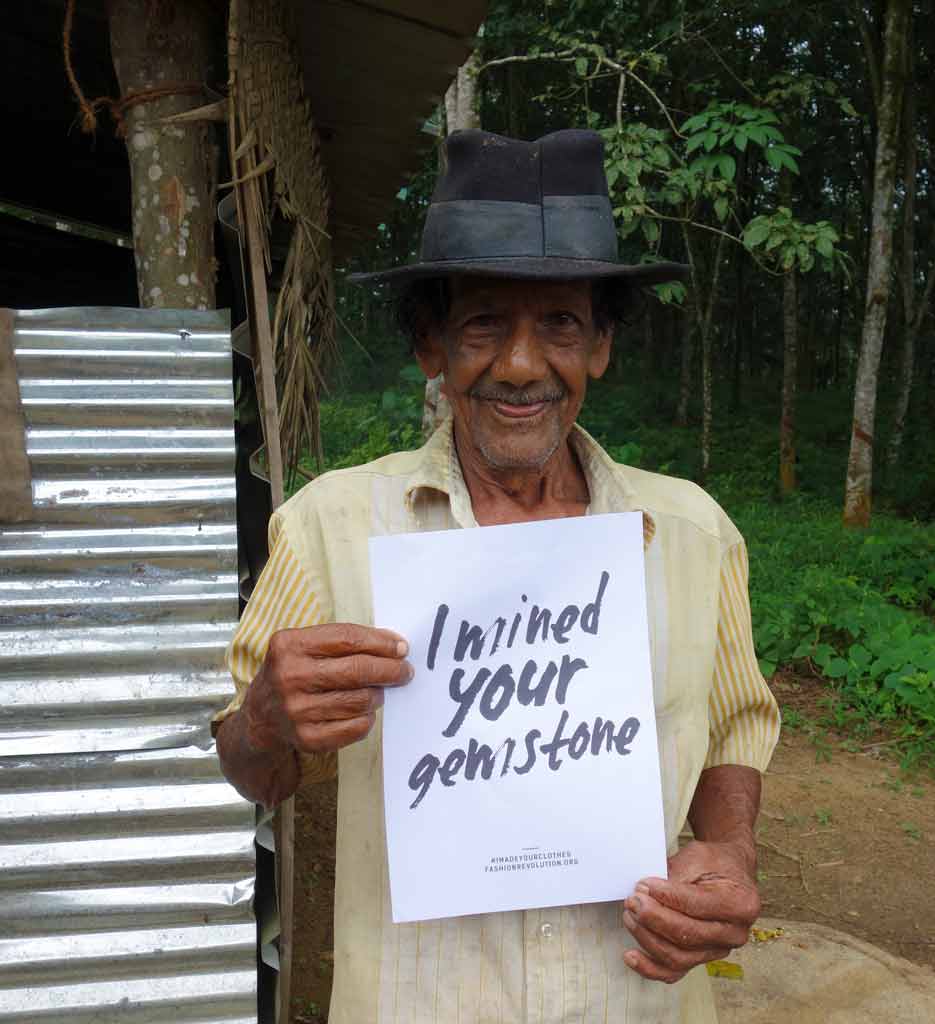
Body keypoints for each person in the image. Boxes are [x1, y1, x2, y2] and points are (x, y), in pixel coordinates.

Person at [213, 128, 780, 1024]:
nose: (520, 366)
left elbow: (732, 728)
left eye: (560, 323)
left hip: (634, 1000)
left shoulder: (693, 532)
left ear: (600, 345)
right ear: (431, 345)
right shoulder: (330, 526)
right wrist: (263, 720)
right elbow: (256, 773)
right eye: (484, 323)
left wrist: (733, 854)